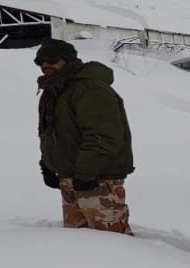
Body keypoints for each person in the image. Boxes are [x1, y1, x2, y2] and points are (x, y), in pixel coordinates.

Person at [34, 39, 134, 235]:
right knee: (79, 245)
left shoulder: (90, 89)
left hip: (98, 181)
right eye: (40, 61)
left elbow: (103, 136)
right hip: (71, 180)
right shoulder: (53, 91)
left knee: (111, 243)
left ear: (68, 60)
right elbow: (49, 133)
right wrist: (48, 166)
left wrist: (86, 174)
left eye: (51, 59)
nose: (45, 65)